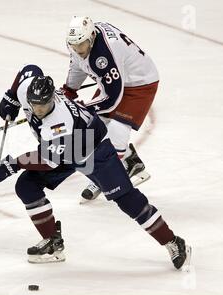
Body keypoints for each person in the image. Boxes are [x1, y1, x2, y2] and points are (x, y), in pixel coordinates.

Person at [0, 64, 191, 269]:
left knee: (126, 198)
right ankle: (52, 244)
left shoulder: (58, 122)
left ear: (51, 101)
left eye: (43, 106)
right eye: (34, 106)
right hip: (64, 148)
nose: (38, 111)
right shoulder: (28, 90)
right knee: (26, 186)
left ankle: (173, 242)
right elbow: (29, 69)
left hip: (92, 147)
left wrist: (11, 164)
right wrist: (11, 97)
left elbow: (48, 161)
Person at [62, 16, 159, 201]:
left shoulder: (104, 53)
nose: (78, 50)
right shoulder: (79, 42)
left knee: (115, 132)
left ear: (91, 37)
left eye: (81, 45)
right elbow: (78, 65)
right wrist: (69, 91)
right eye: (74, 46)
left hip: (140, 83)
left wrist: (82, 107)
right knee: (90, 128)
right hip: (115, 80)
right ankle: (131, 162)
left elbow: (111, 100)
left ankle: (113, 173)